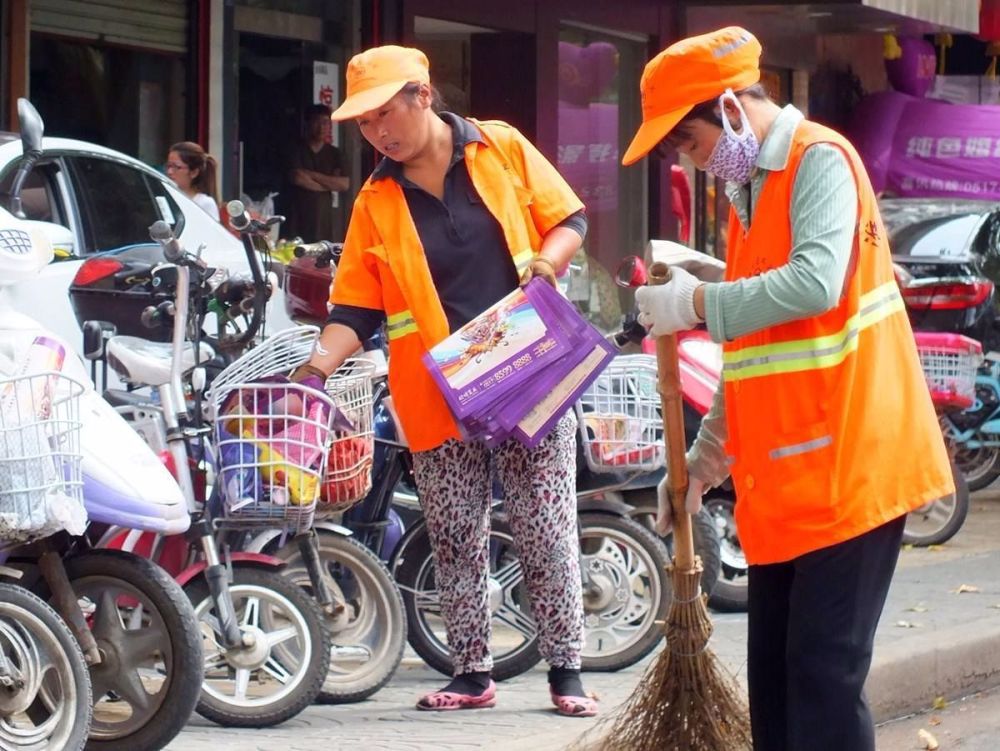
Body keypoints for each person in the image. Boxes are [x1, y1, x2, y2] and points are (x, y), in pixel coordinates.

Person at [623, 27, 953, 751]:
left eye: (691, 146)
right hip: (788, 484)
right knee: (775, 683)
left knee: (822, 675)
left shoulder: (820, 161)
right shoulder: (751, 202)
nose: (698, 166)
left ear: (731, 109)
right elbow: (752, 364)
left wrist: (697, 305)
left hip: (853, 468)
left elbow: (814, 282)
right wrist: (702, 469)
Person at [291, 45, 596, 717]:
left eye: (383, 114)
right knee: (455, 532)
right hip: (437, 389)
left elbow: (568, 218)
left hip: (528, 367)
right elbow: (356, 307)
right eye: (364, 124)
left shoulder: (501, 147)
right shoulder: (375, 198)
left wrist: (547, 263)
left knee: (545, 524)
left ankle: (566, 670)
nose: (377, 133)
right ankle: (470, 671)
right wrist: (314, 369)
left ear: (422, 95)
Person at [285, 104, 350, 241]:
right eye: (317, 122)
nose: (321, 127)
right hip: (298, 215)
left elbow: (343, 184)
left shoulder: (335, 153)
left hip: (324, 217)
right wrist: (328, 184)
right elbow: (297, 177)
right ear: (308, 123)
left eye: (325, 123)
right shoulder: (296, 149)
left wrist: (311, 175)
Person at [166, 142, 220, 222]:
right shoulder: (165, 197)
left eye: (176, 167)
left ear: (194, 172)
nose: (169, 172)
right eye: (169, 166)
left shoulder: (204, 203)